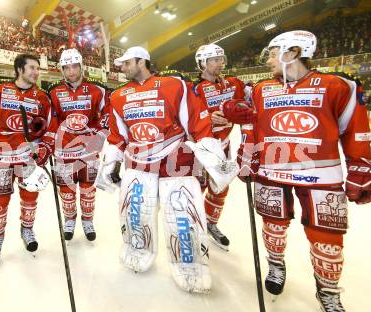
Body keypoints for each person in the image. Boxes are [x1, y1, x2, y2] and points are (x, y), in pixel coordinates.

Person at [237, 30, 371, 311]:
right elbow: (252, 130)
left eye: (274, 53)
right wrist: (247, 157)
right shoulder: (262, 89)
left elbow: (356, 130)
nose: (269, 60)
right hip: (272, 173)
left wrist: (361, 169)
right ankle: (276, 265)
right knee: (273, 227)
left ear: (294, 53)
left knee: (327, 239)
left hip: (321, 176)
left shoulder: (337, 86)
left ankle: (328, 290)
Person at [96, 46, 236, 293]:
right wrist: (108, 165)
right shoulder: (118, 96)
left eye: (127, 63)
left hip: (177, 161)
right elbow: (118, 135)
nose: (122, 68)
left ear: (142, 61)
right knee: (135, 211)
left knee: (183, 215)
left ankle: (190, 266)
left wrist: (215, 162)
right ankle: (137, 250)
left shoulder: (174, 85)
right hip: (138, 163)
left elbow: (197, 123)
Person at [0, 54, 56, 262]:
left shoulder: (42, 97)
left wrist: (46, 147)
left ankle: (27, 230)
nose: (36, 72)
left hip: (27, 157)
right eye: (32, 67)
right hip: (2, 154)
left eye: (37, 68)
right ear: (19, 69)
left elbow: (50, 126)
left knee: (30, 197)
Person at [193, 43, 253, 250]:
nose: (221, 63)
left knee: (221, 187)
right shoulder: (195, 89)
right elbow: (186, 118)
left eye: (221, 59)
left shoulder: (234, 84)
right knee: (196, 189)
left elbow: (256, 95)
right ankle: (193, 227)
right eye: (215, 60)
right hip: (202, 147)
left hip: (225, 145)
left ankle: (211, 223)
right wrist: (207, 118)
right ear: (203, 63)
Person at [48, 48, 109, 242]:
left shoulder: (97, 89)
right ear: (61, 69)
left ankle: (88, 220)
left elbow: (107, 116)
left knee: (88, 189)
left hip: (89, 151)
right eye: (66, 67)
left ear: (81, 66)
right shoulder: (54, 91)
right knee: (66, 190)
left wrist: (98, 137)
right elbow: (52, 121)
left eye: (75, 66)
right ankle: (69, 220)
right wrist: (50, 144)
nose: (71, 71)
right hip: (63, 151)